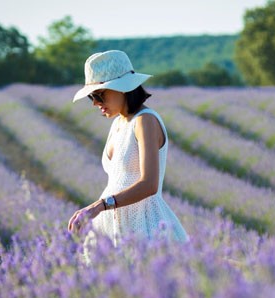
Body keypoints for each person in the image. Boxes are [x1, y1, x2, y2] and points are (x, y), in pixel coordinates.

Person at [67, 50, 188, 245]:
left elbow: (149, 184)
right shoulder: (118, 123)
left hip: (145, 227)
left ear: (122, 88)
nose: (96, 103)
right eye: (92, 98)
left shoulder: (145, 120)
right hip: (112, 229)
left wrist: (100, 206)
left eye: (99, 95)